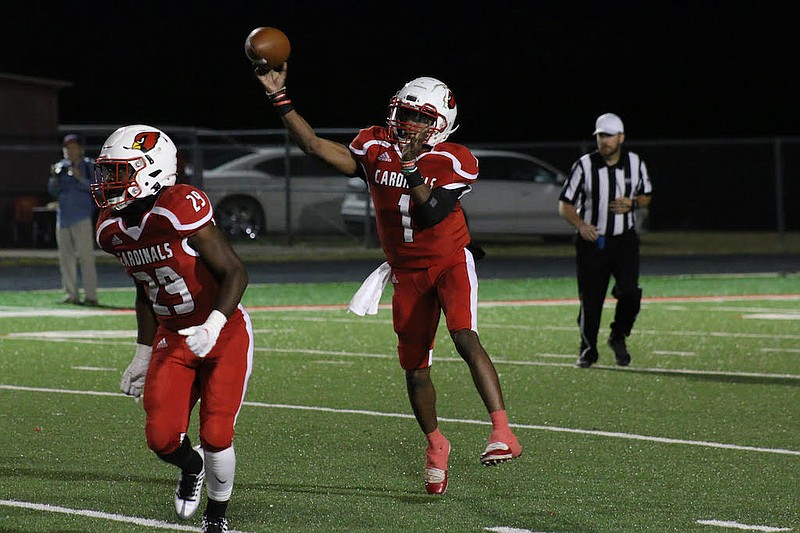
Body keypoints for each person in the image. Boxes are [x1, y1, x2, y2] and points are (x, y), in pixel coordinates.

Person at [254, 66, 522, 495]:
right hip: (406, 272)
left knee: (465, 337)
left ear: (441, 124)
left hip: (450, 260)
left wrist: (412, 165)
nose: (409, 124)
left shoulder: (454, 157)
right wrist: (279, 97)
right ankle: (436, 444)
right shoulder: (375, 144)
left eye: (421, 118)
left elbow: (432, 212)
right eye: (406, 114)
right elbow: (312, 146)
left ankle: (502, 432)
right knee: (415, 372)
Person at [92, 124, 252, 533]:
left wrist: (214, 325)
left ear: (151, 171)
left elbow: (234, 271)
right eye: (107, 173)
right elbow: (145, 290)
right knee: (162, 438)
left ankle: (217, 519)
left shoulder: (178, 207)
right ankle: (192, 467)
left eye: (118, 172)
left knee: (217, 432)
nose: (109, 183)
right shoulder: (111, 230)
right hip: (172, 336)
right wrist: (143, 353)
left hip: (224, 331)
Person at [558, 113, 653, 368]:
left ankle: (618, 335)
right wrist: (580, 225)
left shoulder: (635, 163)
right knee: (591, 299)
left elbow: (647, 196)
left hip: (625, 240)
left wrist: (632, 204)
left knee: (631, 293)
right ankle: (588, 349)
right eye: (600, 135)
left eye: (609, 135)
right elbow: (565, 203)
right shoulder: (584, 165)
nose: (604, 141)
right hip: (592, 242)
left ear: (621, 137)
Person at [47, 133, 99, 305]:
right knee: (65, 259)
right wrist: (54, 177)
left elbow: (96, 189)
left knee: (86, 258)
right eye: (67, 148)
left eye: (74, 147)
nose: (70, 151)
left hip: (82, 217)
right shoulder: (61, 167)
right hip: (63, 218)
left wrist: (80, 178)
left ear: (80, 149)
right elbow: (53, 192)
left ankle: (91, 296)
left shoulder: (89, 166)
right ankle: (71, 294)